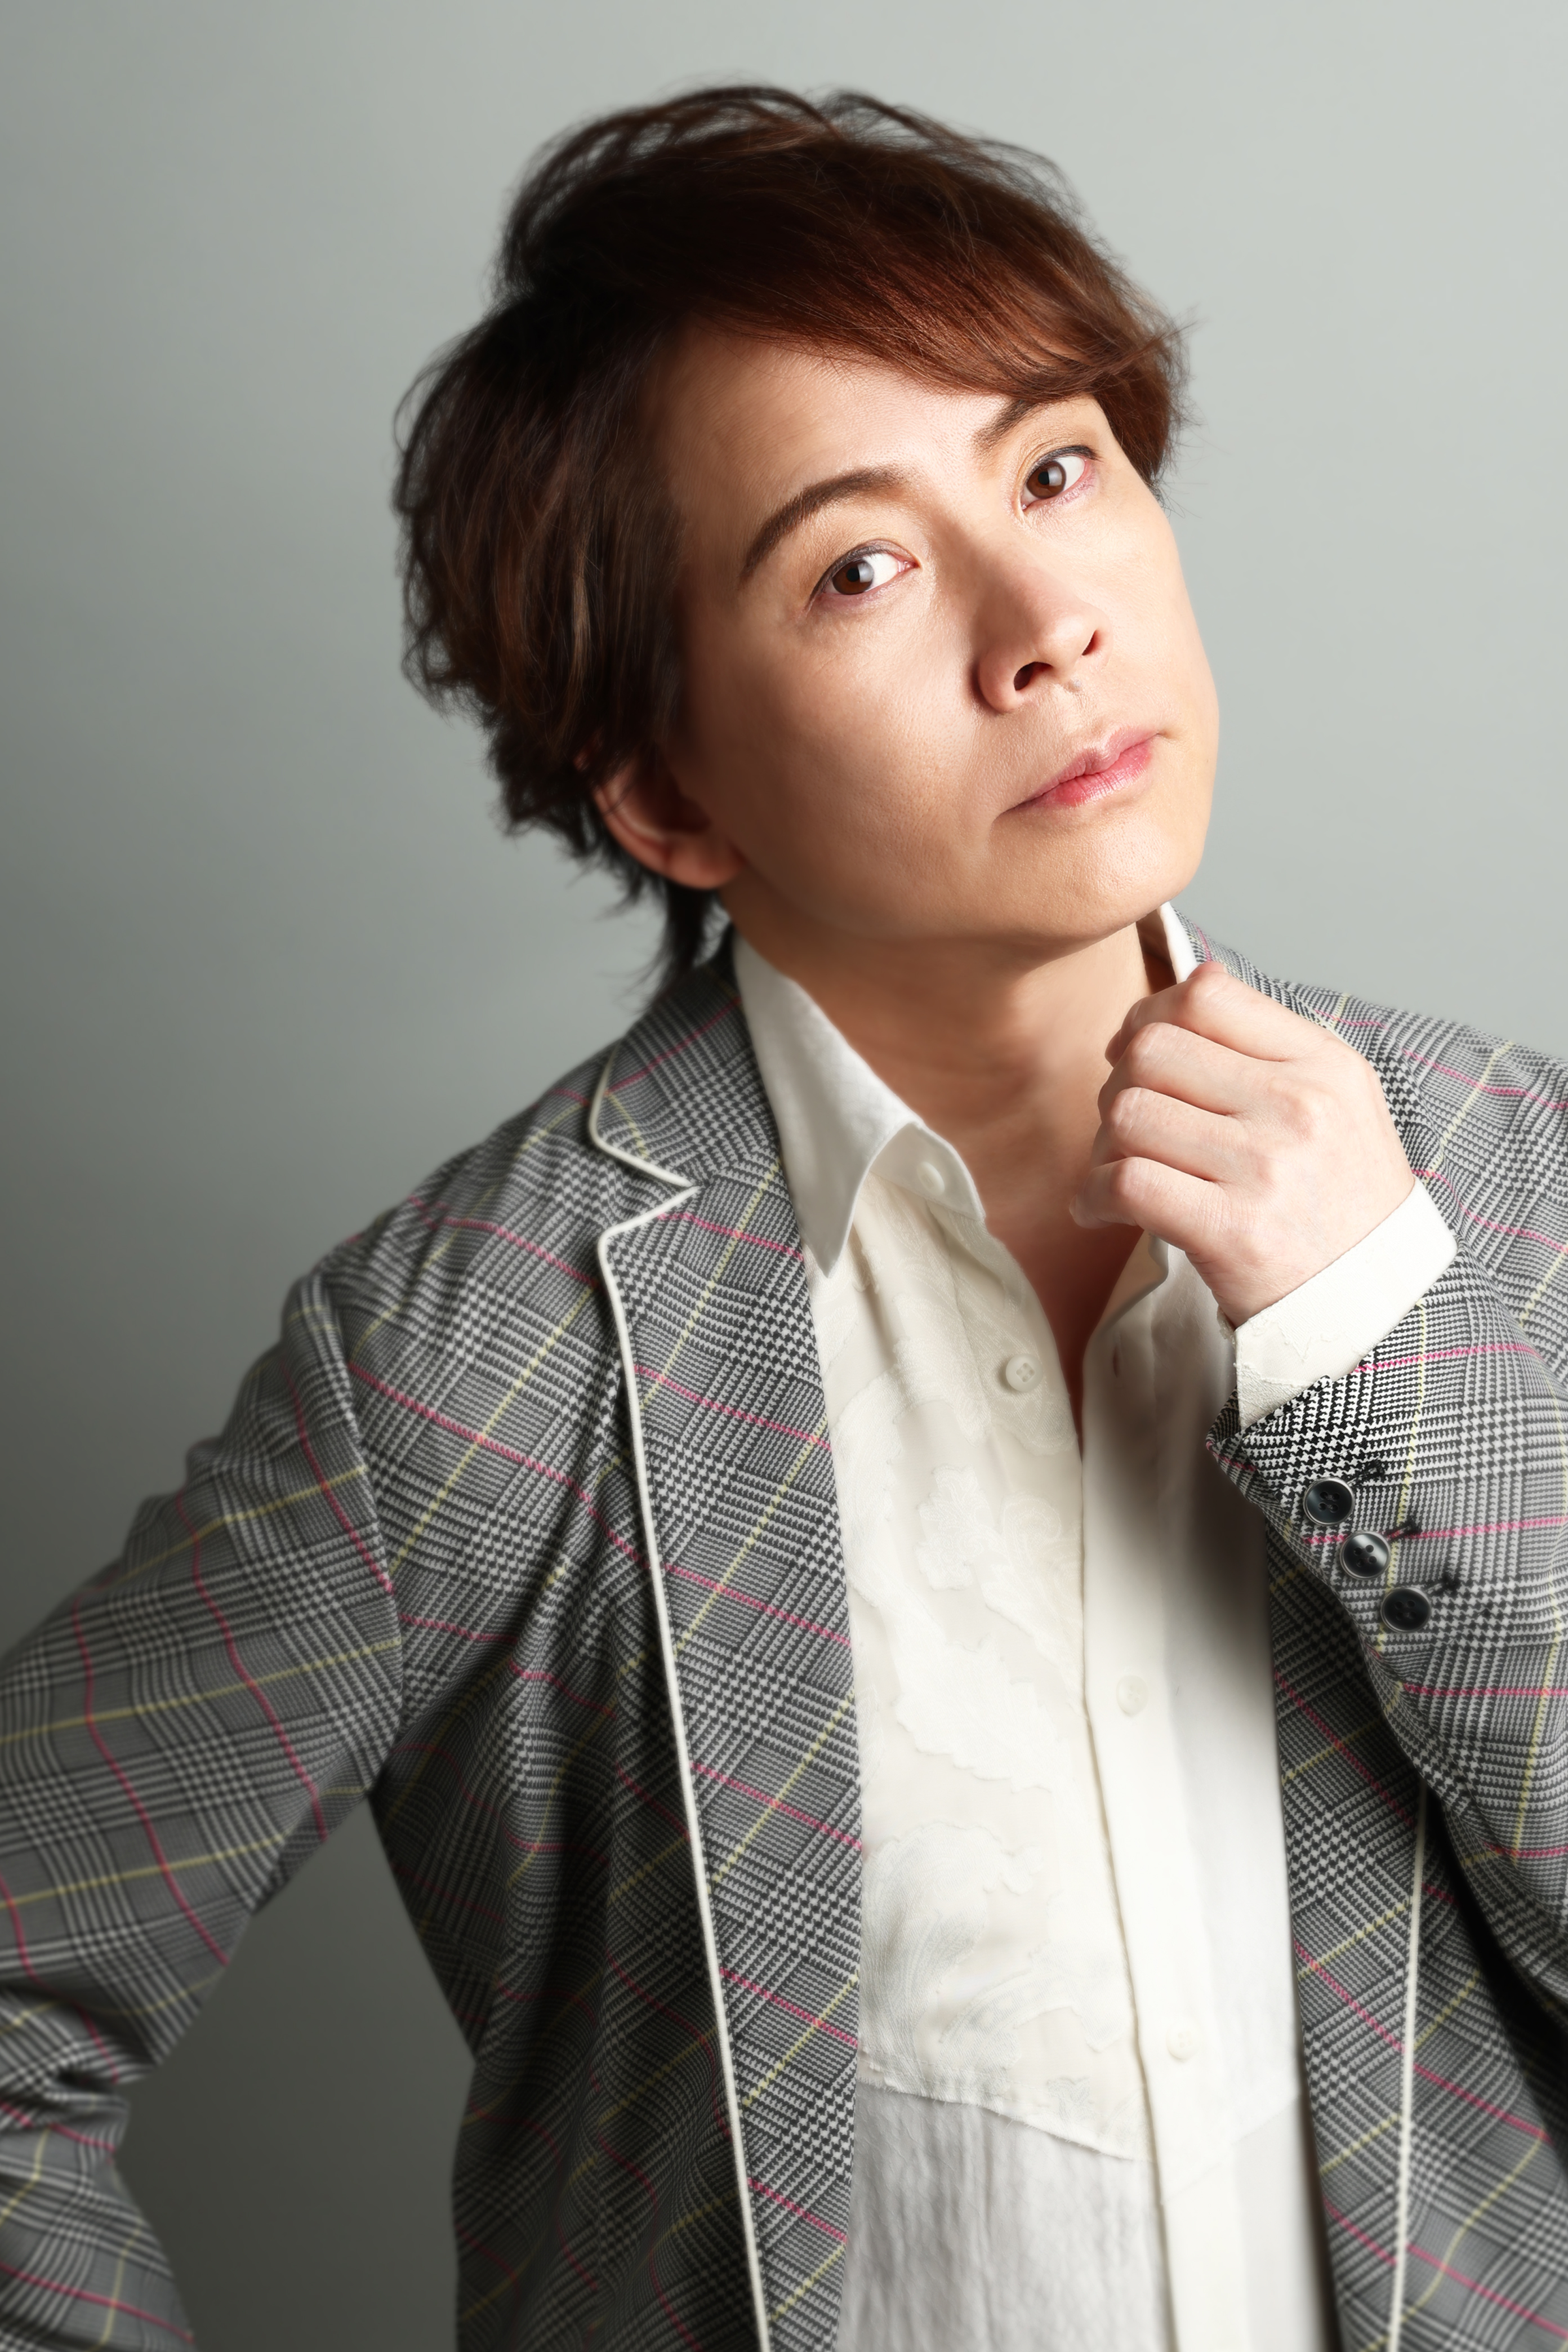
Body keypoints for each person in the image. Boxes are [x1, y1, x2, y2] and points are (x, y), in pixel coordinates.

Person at [1, 83, 1565, 2352]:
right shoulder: (477, 1354)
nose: (1046, 626)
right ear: (668, 790)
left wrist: (1378, 1358)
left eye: (1057, 471)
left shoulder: (1506, 1178)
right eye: (859, 566)